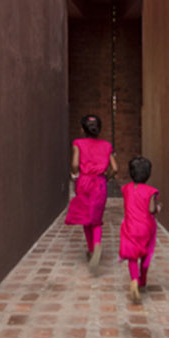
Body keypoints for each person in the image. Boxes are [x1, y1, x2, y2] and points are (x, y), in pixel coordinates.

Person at [65, 114, 117, 269]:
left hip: (83, 182)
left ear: (82, 129)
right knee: (96, 217)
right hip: (99, 182)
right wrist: (106, 178)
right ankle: (97, 243)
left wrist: (74, 175)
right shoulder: (107, 146)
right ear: (99, 129)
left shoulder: (78, 143)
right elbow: (115, 168)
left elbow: (75, 164)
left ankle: (91, 249)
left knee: (85, 216)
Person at [119, 155, 161, 303]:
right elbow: (151, 210)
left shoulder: (125, 189)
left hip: (130, 226)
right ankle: (143, 281)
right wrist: (158, 208)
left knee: (132, 256)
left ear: (131, 173)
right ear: (148, 174)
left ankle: (134, 280)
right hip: (146, 228)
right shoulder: (151, 191)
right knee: (145, 254)